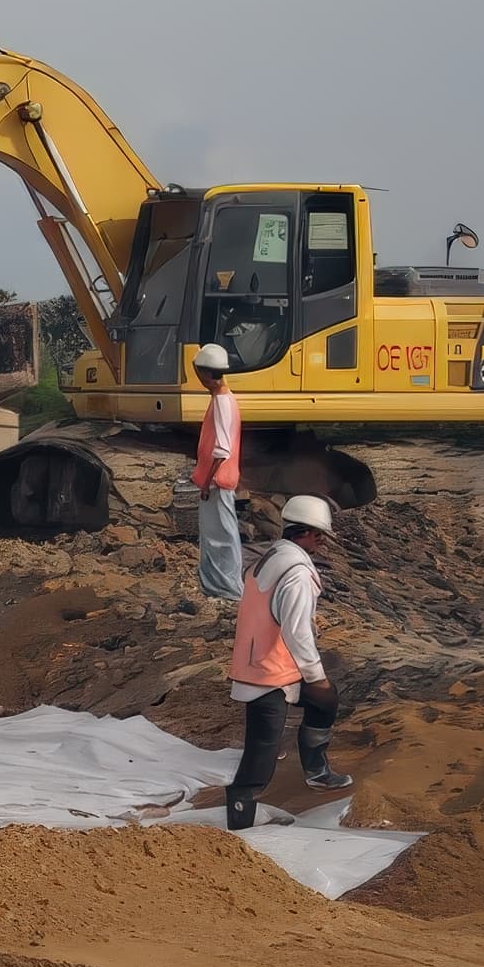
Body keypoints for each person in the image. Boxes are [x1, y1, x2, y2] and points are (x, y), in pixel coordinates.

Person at [224, 493, 350, 829]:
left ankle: (317, 772)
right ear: (306, 533)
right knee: (261, 753)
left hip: (265, 664)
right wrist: (315, 674)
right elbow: (297, 632)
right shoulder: (296, 573)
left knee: (326, 700)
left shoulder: (272, 557)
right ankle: (239, 819)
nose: (321, 542)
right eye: (320, 535)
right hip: (268, 673)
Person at [192, 342, 243, 601]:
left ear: (206, 375)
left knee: (222, 535)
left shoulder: (223, 402)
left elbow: (222, 449)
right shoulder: (223, 399)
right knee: (216, 534)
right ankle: (217, 586)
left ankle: (228, 589)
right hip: (217, 480)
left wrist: (206, 482)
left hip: (217, 481)